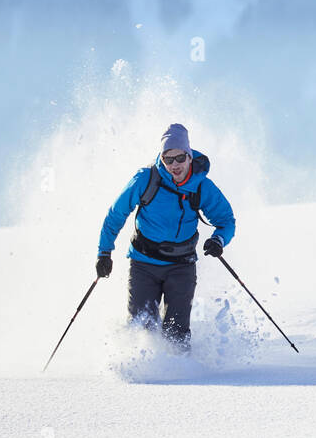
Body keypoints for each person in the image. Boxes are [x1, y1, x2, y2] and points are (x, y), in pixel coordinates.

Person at [95, 123, 236, 350]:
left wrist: (218, 240)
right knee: (142, 328)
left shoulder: (202, 187)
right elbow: (116, 214)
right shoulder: (146, 179)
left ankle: (180, 374)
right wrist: (104, 252)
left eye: (179, 158)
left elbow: (226, 221)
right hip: (143, 264)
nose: (174, 165)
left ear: (189, 156)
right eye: (168, 159)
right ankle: (139, 377)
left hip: (182, 266)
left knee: (176, 333)